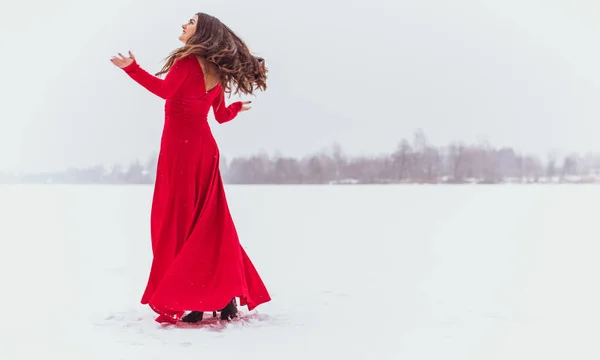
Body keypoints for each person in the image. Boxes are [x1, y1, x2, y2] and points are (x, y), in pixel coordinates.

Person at [110, 12, 271, 324]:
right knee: (209, 224)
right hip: (204, 150)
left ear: (203, 32)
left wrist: (132, 69)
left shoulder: (187, 63)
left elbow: (165, 91)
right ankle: (222, 298)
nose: (184, 24)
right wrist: (237, 107)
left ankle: (195, 297)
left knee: (179, 223)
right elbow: (221, 116)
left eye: (191, 22)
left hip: (180, 153)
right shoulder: (214, 70)